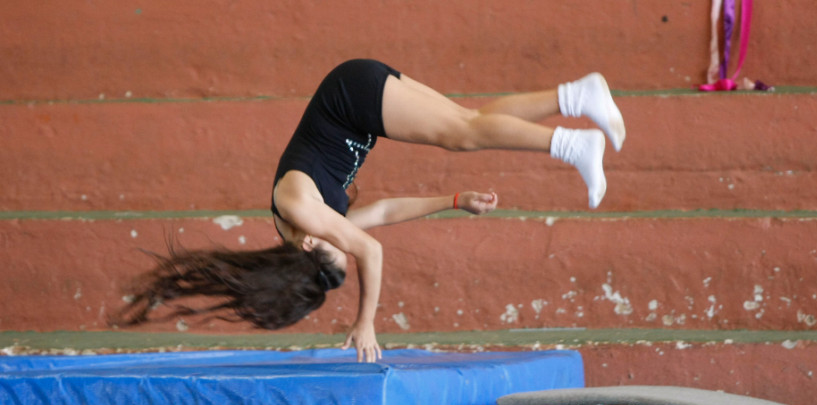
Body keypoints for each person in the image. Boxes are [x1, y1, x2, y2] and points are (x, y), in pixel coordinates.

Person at [115, 59, 625, 362]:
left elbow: (371, 249)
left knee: (463, 134)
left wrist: (366, 323)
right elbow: (381, 214)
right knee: (468, 122)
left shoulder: (297, 206)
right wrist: (451, 201)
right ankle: (576, 95)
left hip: (352, 98)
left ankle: (572, 144)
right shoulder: (313, 231)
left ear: (309, 247)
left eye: (338, 249)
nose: (346, 244)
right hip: (357, 98)